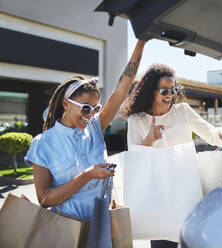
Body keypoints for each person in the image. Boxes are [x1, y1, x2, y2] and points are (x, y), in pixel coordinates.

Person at [24, 40, 146, 221]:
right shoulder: (42, 143)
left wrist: (141, 44)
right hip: (69, 232)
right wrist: (88, 175)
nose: (90, 115)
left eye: (95, 109)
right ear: (66, 104)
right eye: (85, 108)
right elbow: (44, 199)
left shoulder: (95, 127)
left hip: (103, 225)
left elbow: (121, 90)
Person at [121, 63, 222, 248]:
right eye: (164, 91)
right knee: (163, 243)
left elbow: (210, 132)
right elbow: (135, 160)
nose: (170, 96)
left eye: (173, 90)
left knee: (193, 240)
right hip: (158, 194)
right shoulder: (137, 120)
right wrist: (149, 140)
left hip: (187, 188)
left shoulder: (182, 111)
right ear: (151, 91)